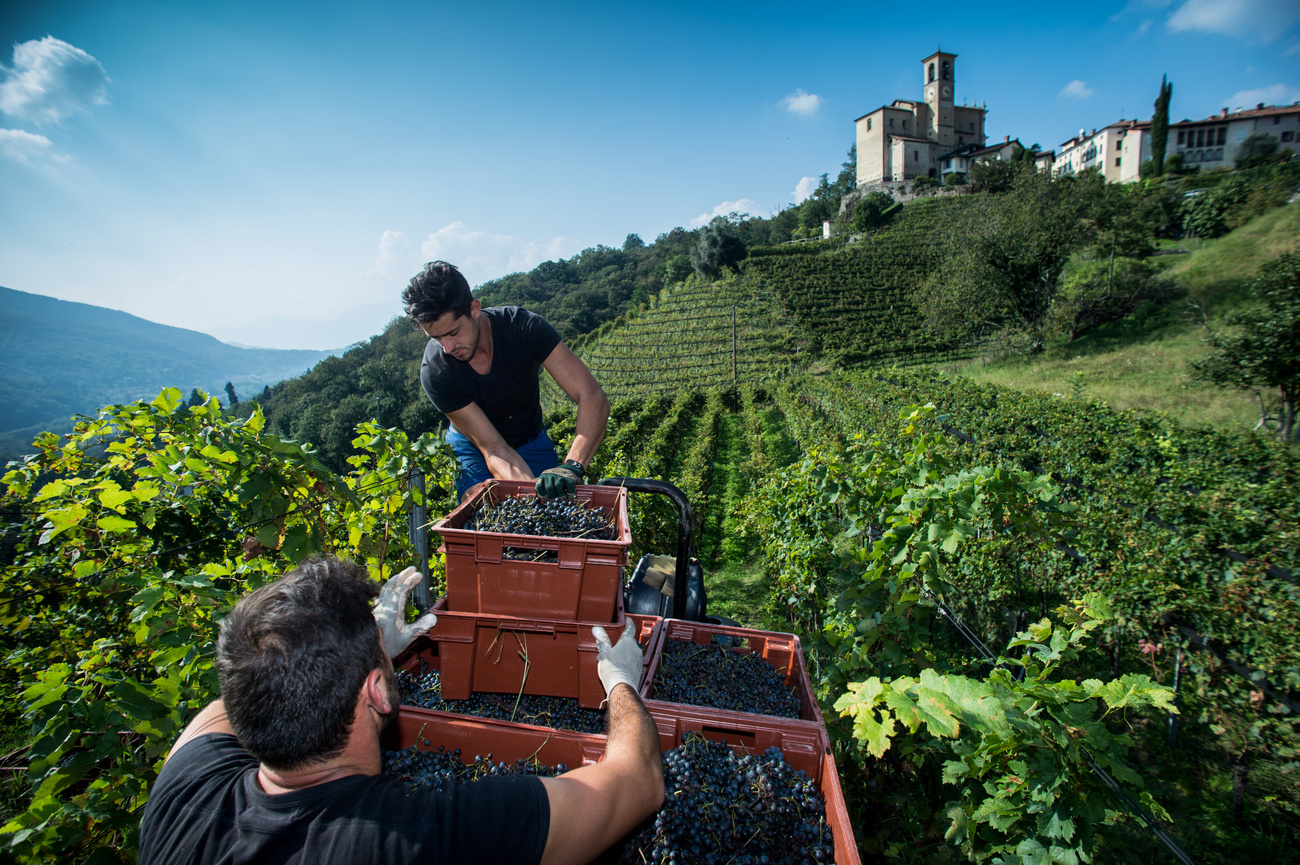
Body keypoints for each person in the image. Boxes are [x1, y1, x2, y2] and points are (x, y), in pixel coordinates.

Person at [138, 556, 663, 865]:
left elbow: (233, 695)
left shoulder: (185, 791)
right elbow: (636, 783)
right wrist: (621, 683)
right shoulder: (422, 837)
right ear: (379, 695)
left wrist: (362, 654)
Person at [401, 261, 610, 500]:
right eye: (436, 338)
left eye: (453, 333)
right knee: (483, 514)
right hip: (474, 446)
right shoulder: (437, 371)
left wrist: (572, 466)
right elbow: (494, 448)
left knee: (556, 502)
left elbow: (592, 395)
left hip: (529, 437)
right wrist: (533, 498)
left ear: (474, 309)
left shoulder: (524, 328)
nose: (447, 348)